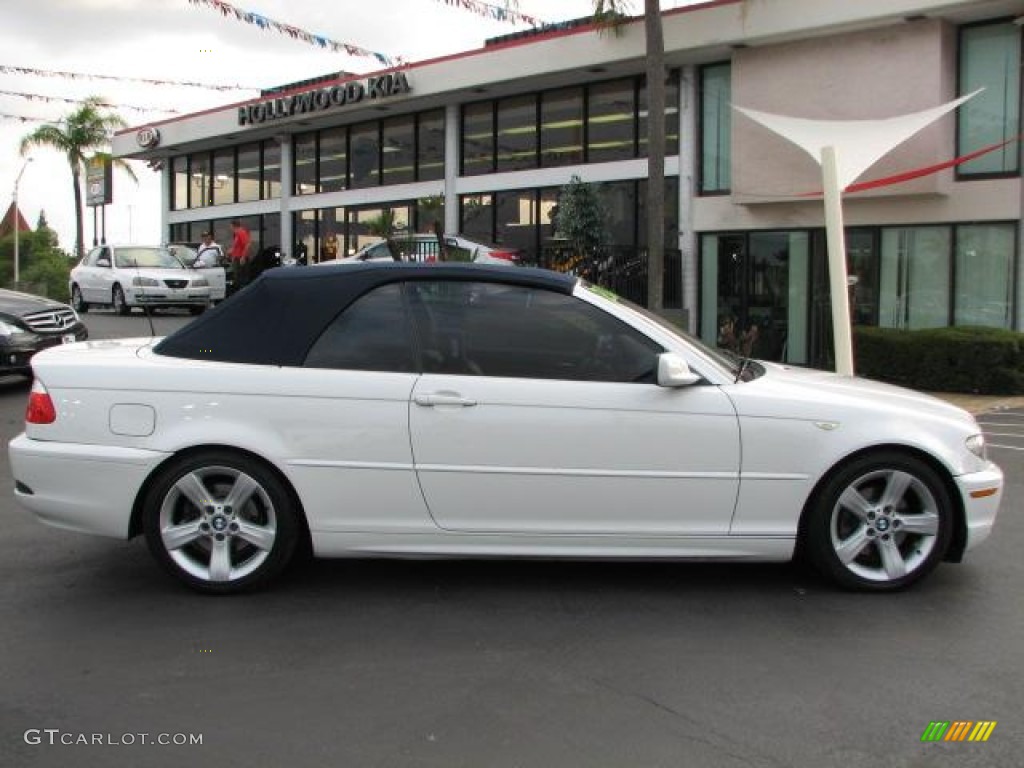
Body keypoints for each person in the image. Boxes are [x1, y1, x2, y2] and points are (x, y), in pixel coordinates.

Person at [229, 219, 252, 288]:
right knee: (237, 277)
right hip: (237, 258)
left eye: (230, 226)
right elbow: (238, 247)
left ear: (233, 226)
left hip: (240, 259)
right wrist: (231, 251)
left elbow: (247, 244)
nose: (230, 228)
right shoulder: (236, 234)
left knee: (241, 278)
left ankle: (243, 292)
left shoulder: (241, 232)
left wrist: (243, 257)